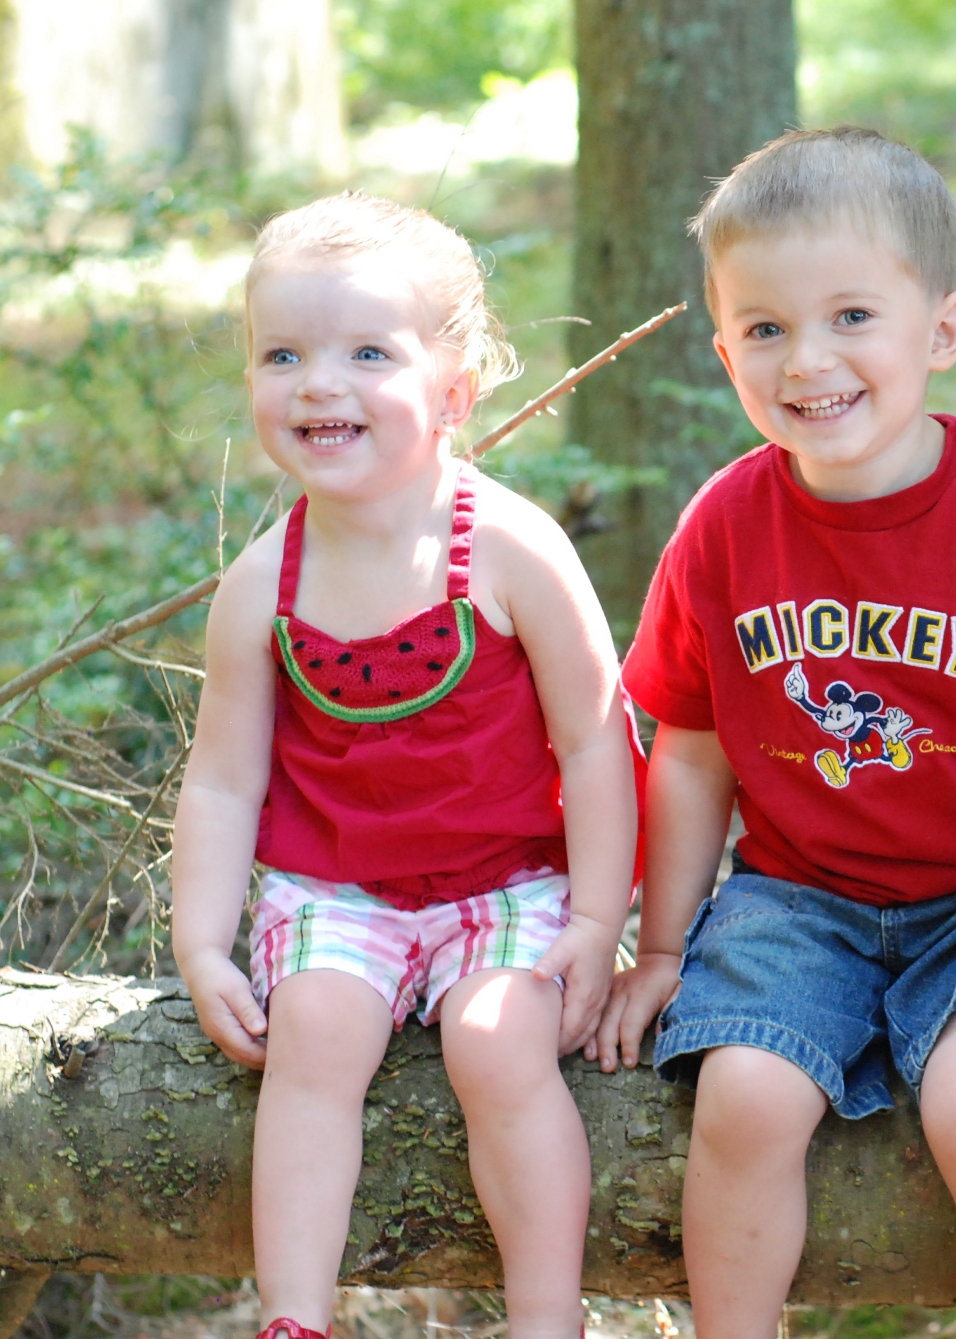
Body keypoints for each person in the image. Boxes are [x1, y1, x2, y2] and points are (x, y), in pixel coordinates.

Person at [591, 127, 956, 1339]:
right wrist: (655, 948)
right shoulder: (722, 526)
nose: (808, 361)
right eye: (764, 328)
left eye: (851, 315)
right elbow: (686, 754)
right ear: (722, 347)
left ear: (940, 330)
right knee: (743, 1097)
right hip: (798, 895)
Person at [171, 193, 638, 1339]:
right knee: (316, 1033)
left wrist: (594, 920)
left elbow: (597, 738)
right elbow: (224, 778)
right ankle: (292, 1315)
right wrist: (200, 941)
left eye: (366, 353)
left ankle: (545, 1315)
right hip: (342, 889)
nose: (318, 383)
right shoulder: (262, 585)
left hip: (509, 884)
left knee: (494, 1042)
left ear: (454, 391)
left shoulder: (511, 546)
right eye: (283, 354)